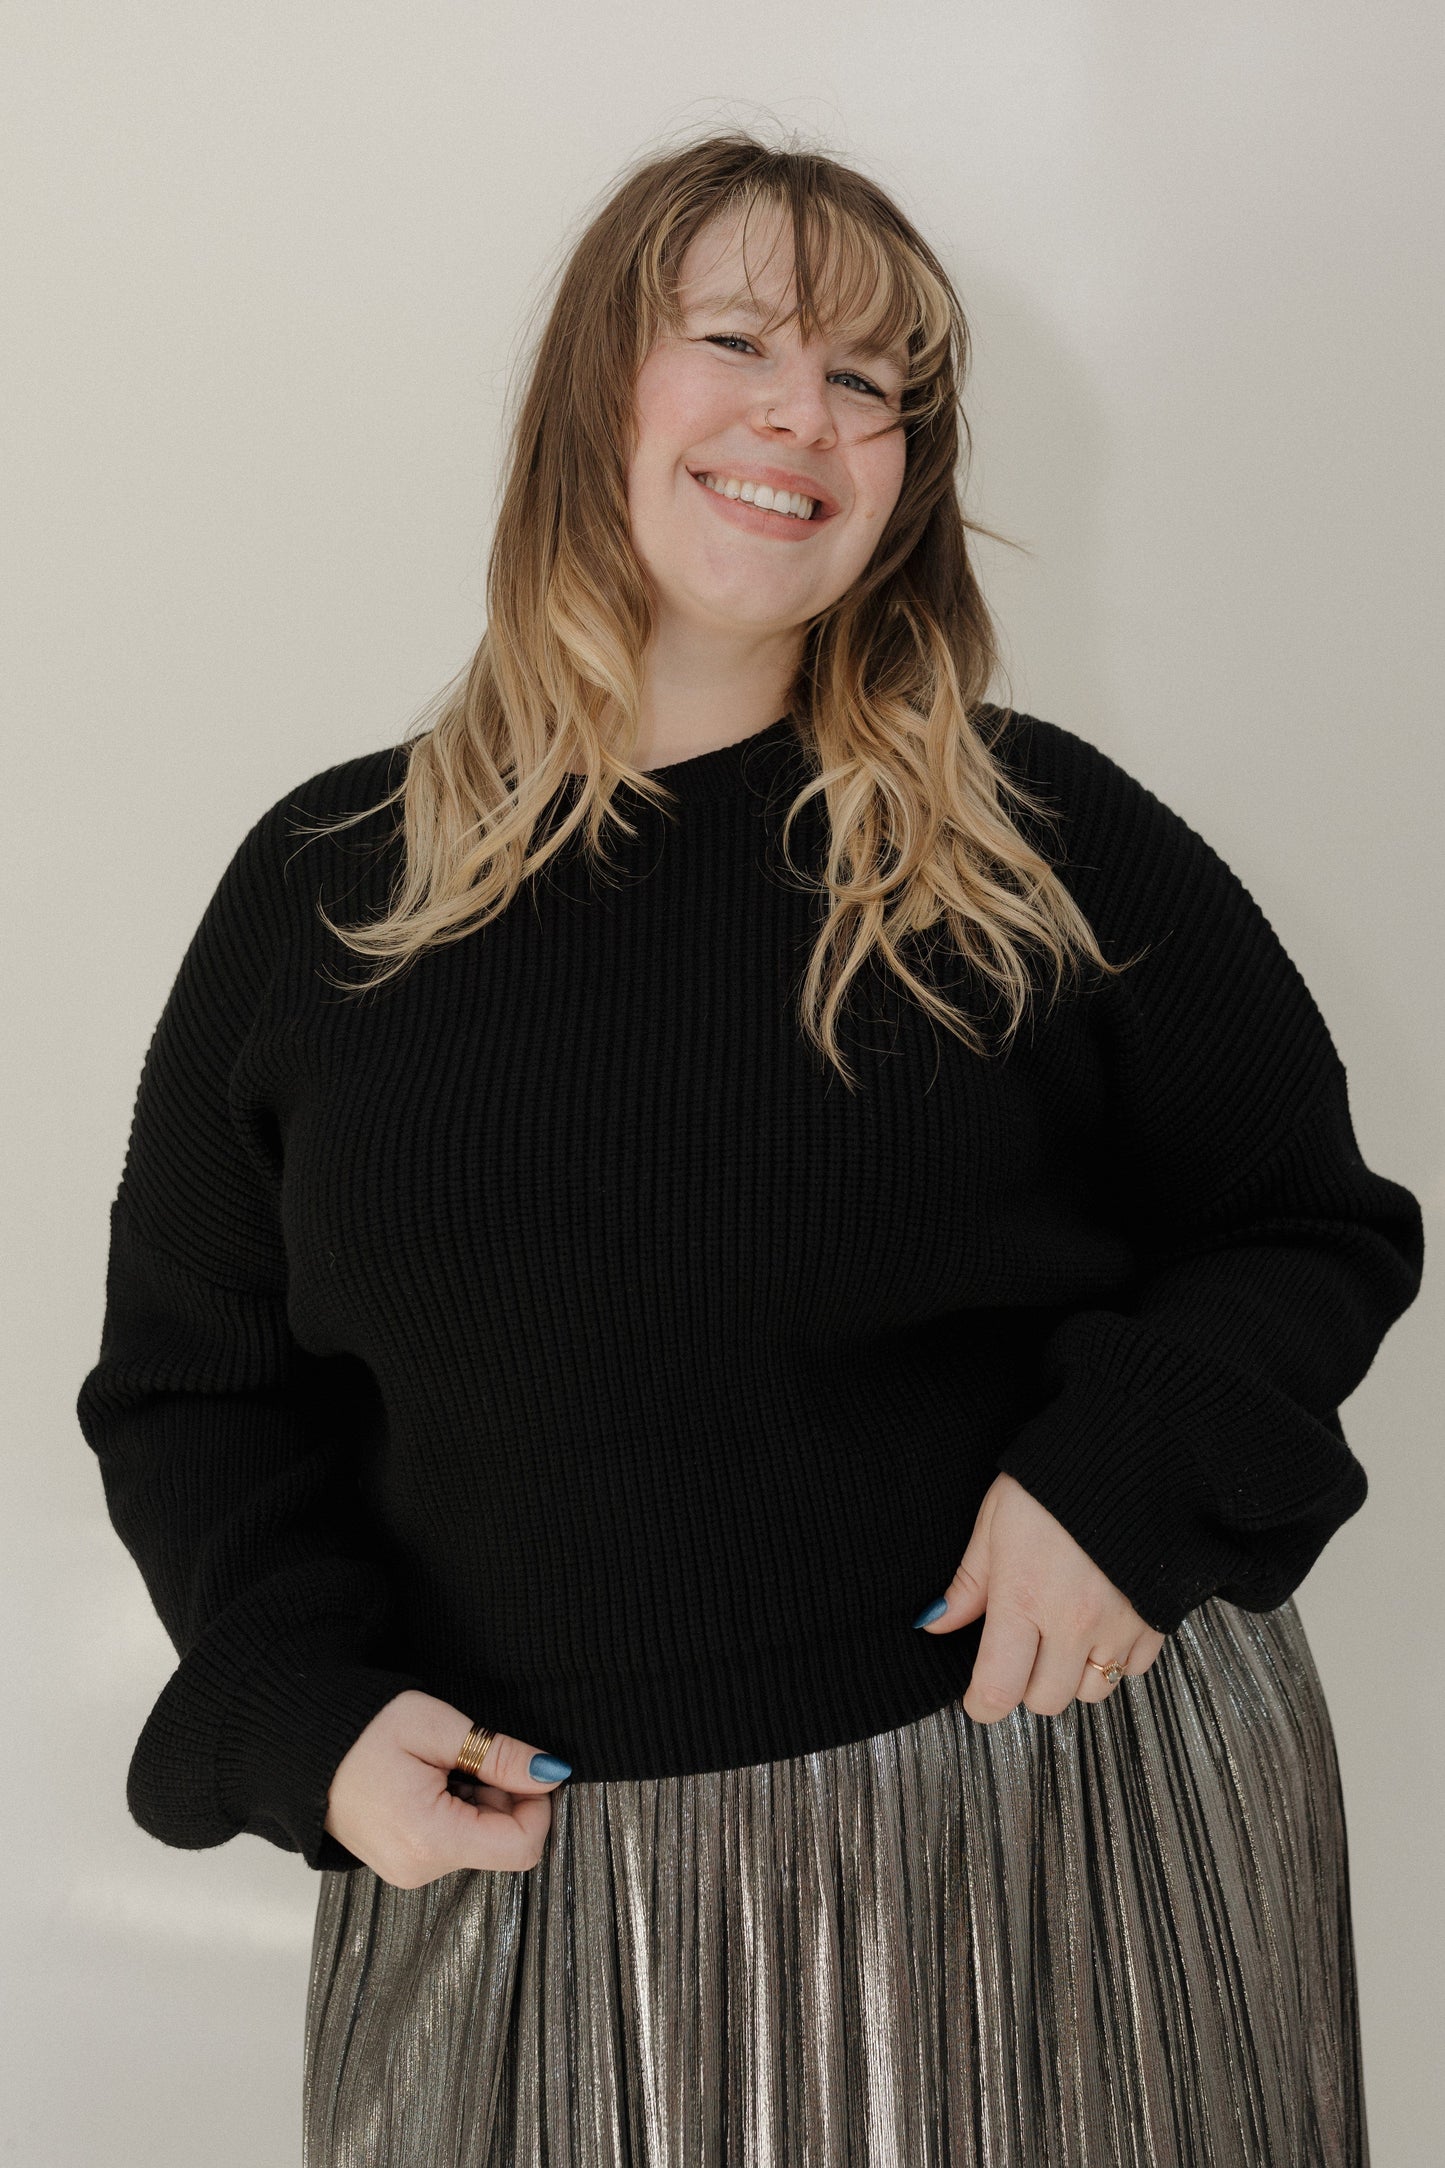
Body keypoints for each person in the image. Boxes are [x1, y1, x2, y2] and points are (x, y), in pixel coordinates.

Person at [76, 132, 1424, 2166]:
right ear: (595, 393)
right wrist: (302, 1717)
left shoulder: (1030, 838)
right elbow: (195, 1390)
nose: (808, 413)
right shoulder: (326, 889)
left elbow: (1303, 1224)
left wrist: (1129, 1469)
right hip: (534, 1899)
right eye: (739, 341)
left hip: (1056, 1833)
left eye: (876, 383)